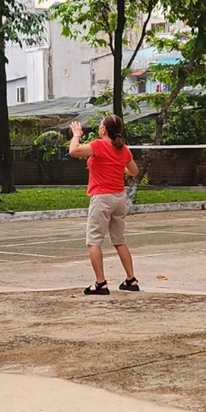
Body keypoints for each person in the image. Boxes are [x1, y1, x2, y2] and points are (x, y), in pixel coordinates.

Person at [69, 115, 140, 295]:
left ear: (104, 130)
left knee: (93, 241)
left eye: (101, 125)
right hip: (119, 198)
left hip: (102, 197)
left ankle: (101, 283)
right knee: (119, 240)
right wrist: (118, 167)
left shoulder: (98, 145)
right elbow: (134, 171)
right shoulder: (123, 149)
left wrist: (76, 135)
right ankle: (131, 279)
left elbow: (73, 151)